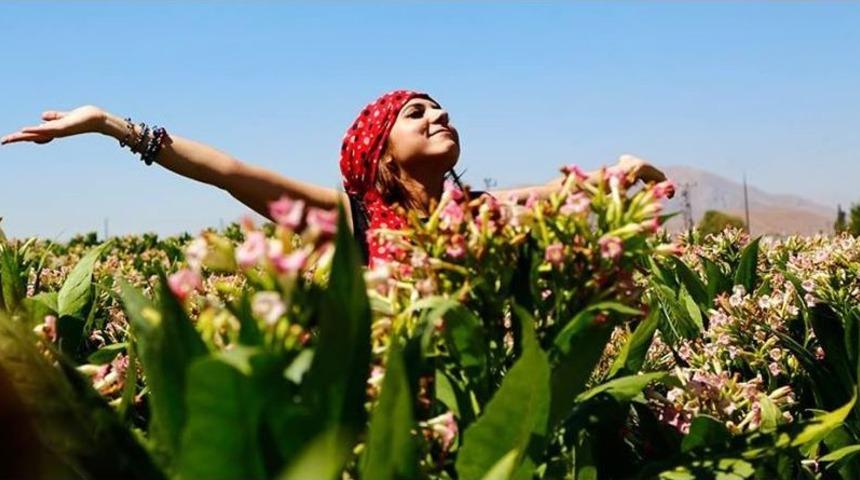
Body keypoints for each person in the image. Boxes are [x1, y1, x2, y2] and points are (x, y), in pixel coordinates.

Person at [1, 89, 670, 265]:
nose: (438, 115)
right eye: (415, 113)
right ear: (381, 153)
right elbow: (229, 172)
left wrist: (623, 174)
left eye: (440, 108)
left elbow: (563, 192)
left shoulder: (479, 211)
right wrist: (109, 124)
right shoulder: (353, 220)